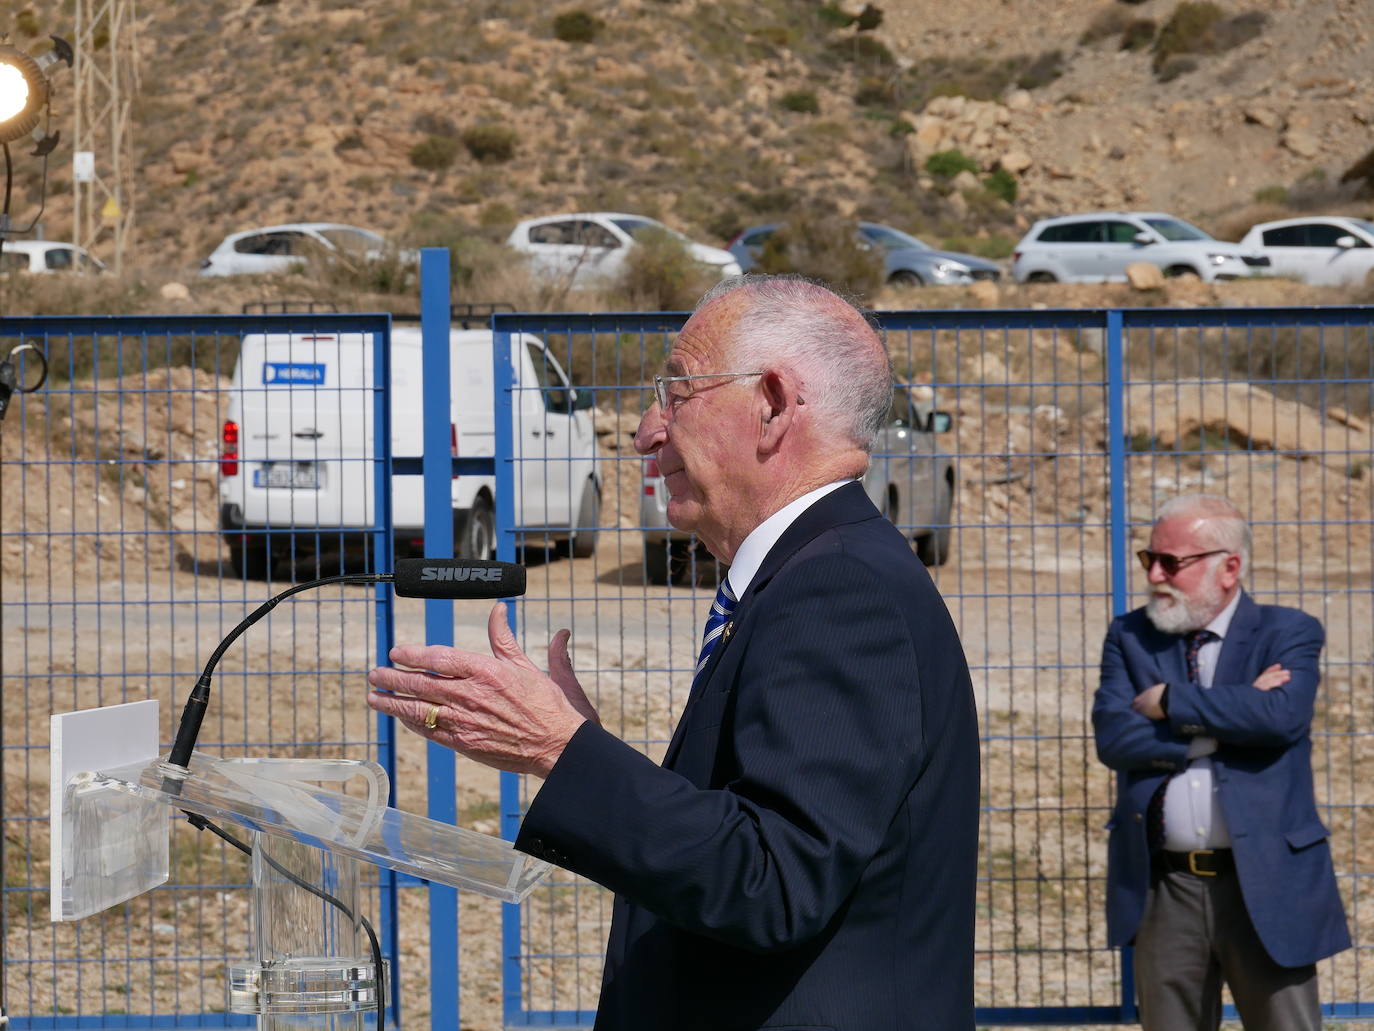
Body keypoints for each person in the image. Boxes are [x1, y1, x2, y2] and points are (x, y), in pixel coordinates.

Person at [367, 274, 980, 1030]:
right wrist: (571, 748)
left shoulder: (840, 590)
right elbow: (748, 833)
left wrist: (563, 752)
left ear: (774, 403)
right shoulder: (810, 575)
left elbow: (773, 882)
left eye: (678, 390)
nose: (647, 431)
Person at [1092, 493, 1350, 1030]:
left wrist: (1169, 702)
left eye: (1172, 562)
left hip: (1266, 883)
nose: (1155, 573)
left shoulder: (1287, 631)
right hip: (1166, 888)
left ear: (1229, 567)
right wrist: (1224, 724)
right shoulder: (1131, 636)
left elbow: (1282, 717)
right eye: (1149, 559)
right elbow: (1116, 739)